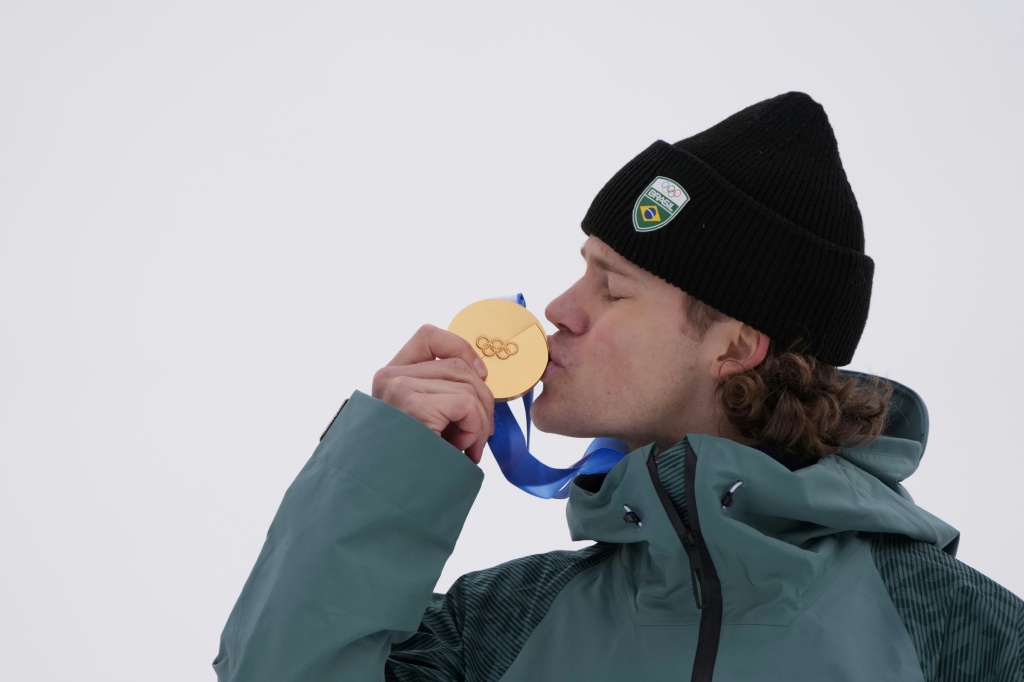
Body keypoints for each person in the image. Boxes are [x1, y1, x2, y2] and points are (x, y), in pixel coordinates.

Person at [214, 92, 1023, 681]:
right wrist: (388, 467)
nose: (560, 310)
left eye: (611, 286)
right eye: (581, 272)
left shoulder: (963, 635)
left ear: (735, 345)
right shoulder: (501, 626)